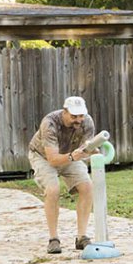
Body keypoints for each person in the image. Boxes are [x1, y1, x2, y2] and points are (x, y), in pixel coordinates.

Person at [28, 96, 96, 254]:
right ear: (65, 112)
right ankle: (53, 239)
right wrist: (73, 156)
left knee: (87, 187)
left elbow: (86, 148)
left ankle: (82, 237)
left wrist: (92, 150)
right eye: (74, 116)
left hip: (70, 154)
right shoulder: (50, 123)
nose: (78, 120)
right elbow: (52, 158)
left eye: (81, 116)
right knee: (53, 190)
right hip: (43, 157)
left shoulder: (87, 122)